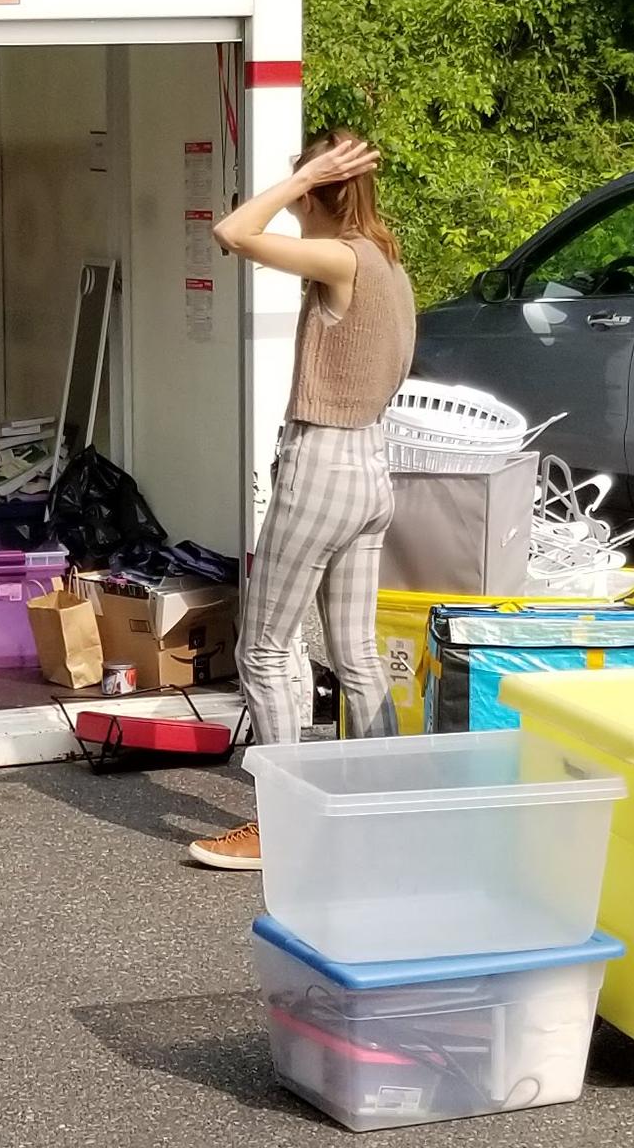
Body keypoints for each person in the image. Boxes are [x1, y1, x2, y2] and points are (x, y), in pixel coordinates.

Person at [189, 131, 415, 871]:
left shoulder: (342, 254)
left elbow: (232, 232)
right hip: (373, 469)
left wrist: (299, 179)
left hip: (322, 467)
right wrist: (310, 181)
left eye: (300, 191)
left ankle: (280, 829)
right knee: (354, 654)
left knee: (262, 649)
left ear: (318, 190)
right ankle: (381, 812)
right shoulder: (389, 262)